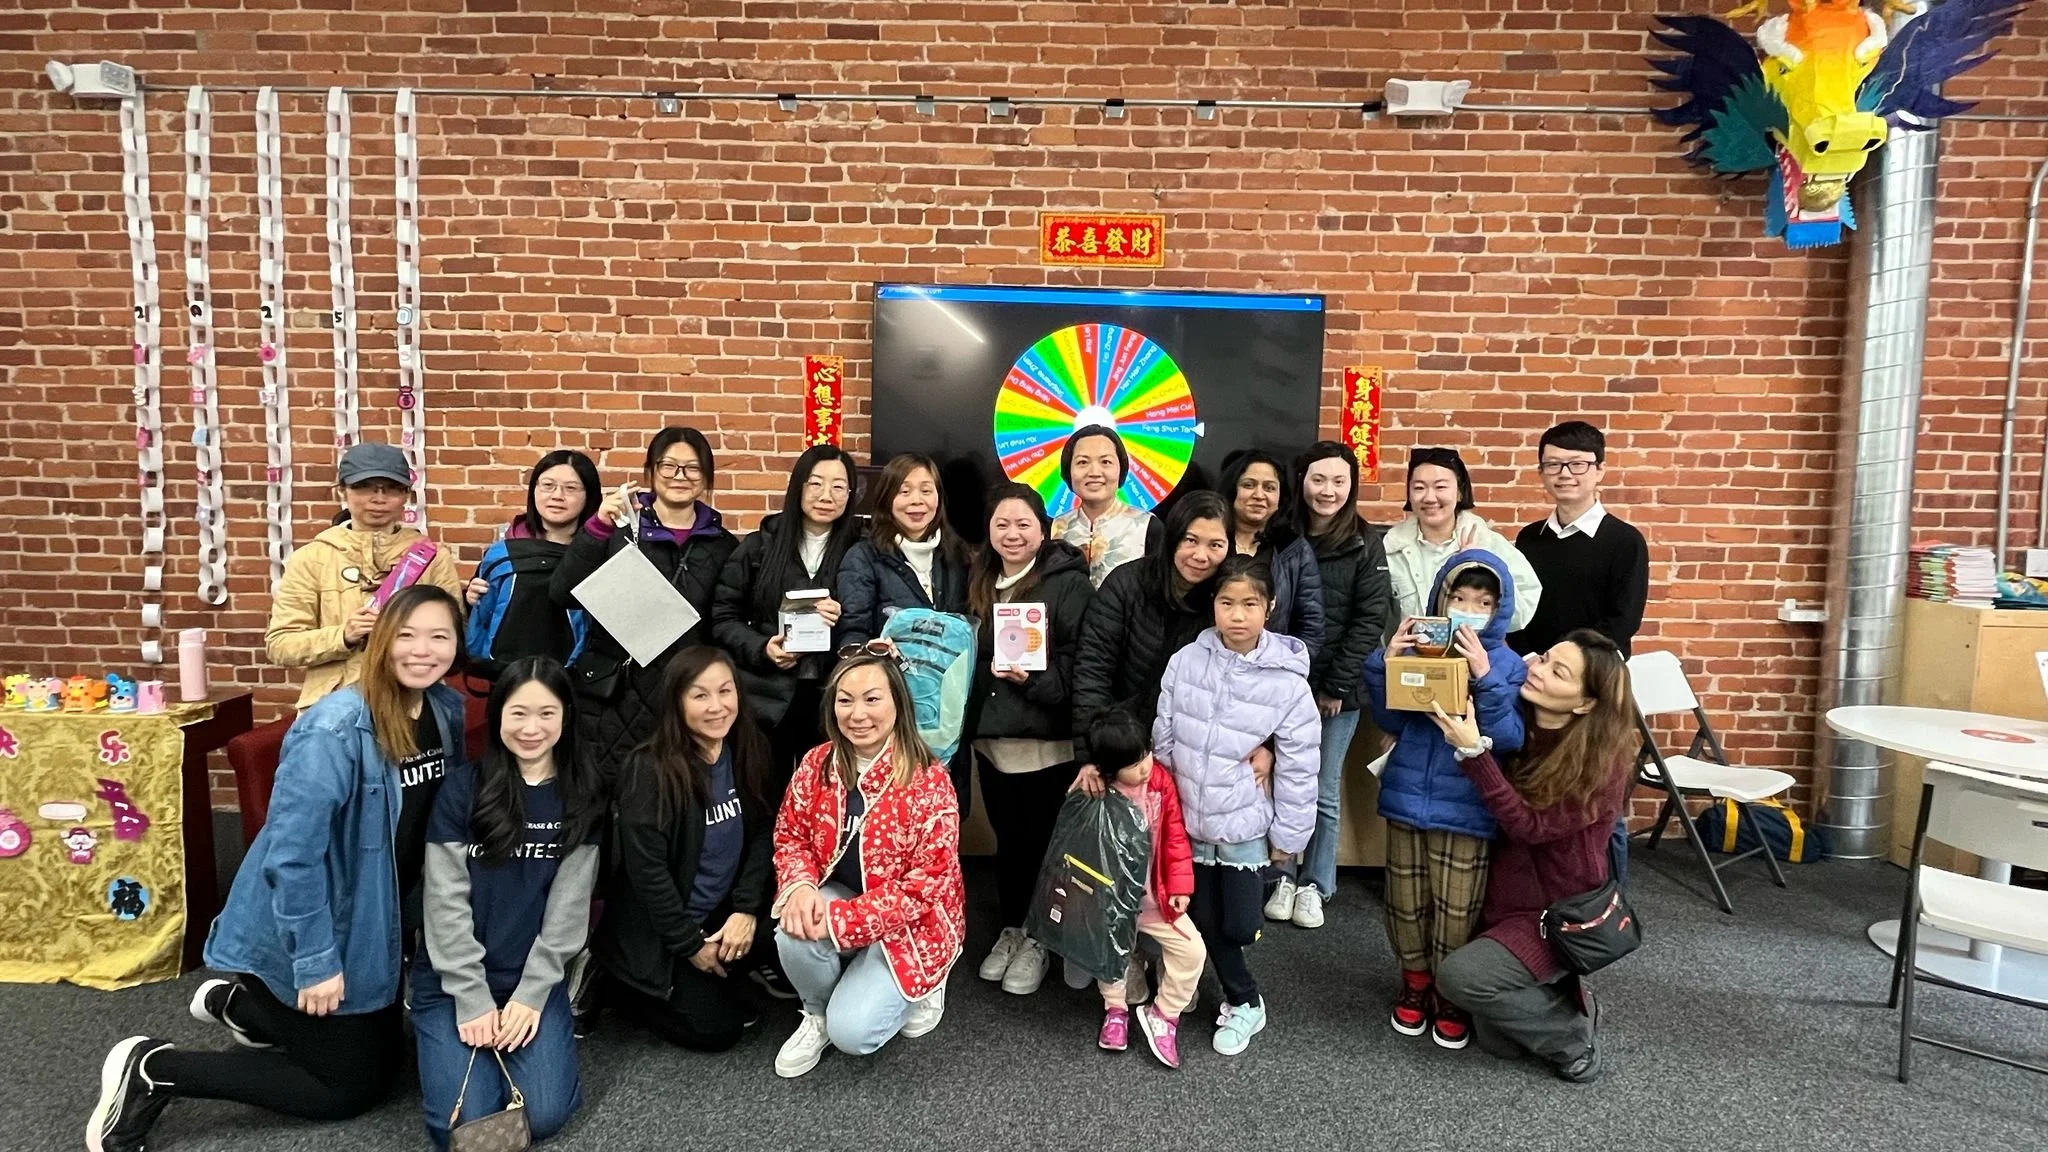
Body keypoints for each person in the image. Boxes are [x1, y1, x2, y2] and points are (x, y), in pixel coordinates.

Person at [90, 586, 467, 1152]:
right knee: (348, 1088)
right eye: (407, 635)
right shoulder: (335, 728)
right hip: (309, 924)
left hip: (373, 921)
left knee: (392, 1062)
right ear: (381, 638)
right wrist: (314, 961)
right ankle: (153, 1067)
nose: (422, 650)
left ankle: (241, 1006)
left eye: (439, 635)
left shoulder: (443, 710)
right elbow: (292, 857)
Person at [1430, 629, 1636, 1084]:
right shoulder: (1520, 720)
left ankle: (1571, 1037)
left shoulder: (1602, 765)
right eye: (1543, 657)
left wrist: (1473, 753)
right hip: (1506, 900)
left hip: (1558, 913)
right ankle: (1562, 995)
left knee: (1462, 979)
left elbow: (1530, 826)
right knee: (1497, 1043)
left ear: (1584, 703)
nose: (1537, 669)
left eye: (1557, 671)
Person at [414, 656, 601, 1148]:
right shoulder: (463, 789)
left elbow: (568, 911)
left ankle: (522, 1052)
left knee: (541, 1115)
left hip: (530, 978)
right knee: (463, 1126)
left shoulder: (582, 795)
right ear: (498, 716)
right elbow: (444, 900)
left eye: (546, 713)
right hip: (453, 980)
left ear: (566, 717)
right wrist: (472, 998)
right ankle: (442, 1044)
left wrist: (531, 993)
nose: (532, 728)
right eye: (518, 713)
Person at [1148, 555, 1320, 1057]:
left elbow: (1300, 764)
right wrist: (1159, 810)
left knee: (1240, 924)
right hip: (1189, 825)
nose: (1238, 615)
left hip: (1245, 826)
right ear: (1213, 606)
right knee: (1197, 918)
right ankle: (1244, 1000)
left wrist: (1289, 838)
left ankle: (1227, 984)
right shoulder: (1185, 661)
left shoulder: (1287, 682)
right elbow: (1165, 737)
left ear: (1269, 607)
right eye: (1227, 603)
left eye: (1250, 604)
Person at [769, 653, 966, 1078]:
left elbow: (924, 886)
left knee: (854, 1035)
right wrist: (801, 887)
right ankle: (817, 1013)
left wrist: (840, 921)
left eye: (872, 699)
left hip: (913, 922)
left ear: (898, 703)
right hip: (842, 897)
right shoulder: (816, 763)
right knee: (792, 927)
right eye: (845, 701)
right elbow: (791, 836)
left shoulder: (929, 779)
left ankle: (929, 981)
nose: (857, 714)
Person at [1362, 552, 1528, 1051]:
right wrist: (1384, 663)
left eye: (1483, 601)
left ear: (1500, 610)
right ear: (1442, 599)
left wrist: (1486, 678)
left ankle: (1452, 993)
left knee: (1458, 907)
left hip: (1468, 807)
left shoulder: (1508, 664)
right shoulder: (1420, 649)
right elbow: (1391, 722)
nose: (1469, 608)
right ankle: (1415, 983)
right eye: (1459, 598)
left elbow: (1510, 738)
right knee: (1405, 904)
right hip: (1407, 799)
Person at [598, 647, 781, 1052]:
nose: (717, 707)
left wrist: (745, 909)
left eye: (725, 691)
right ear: (676, 702)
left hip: (720, 908)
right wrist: (691, 945)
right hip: (662, 925)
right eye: (700, 696)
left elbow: (762, 831)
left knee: (786, 932)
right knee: (718, 1031)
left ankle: (721, 970)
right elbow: (648, 874)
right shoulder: (649, 768)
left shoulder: (750, 747)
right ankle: (620, 984)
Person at [1507, 420, 1650, 889]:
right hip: (1538, 680)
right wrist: (1531, 659)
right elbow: (1518, 613)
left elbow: (1622, 624)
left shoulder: (1625, 542)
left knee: (1600, 800)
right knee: (1537, 789)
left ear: (1599, 471)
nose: (1564, 473)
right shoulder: (1529, 539)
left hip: (1594, 688)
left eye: (1576, 464)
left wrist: (1569, 666)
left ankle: (1606, 904)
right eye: (1552, 464)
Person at [966, 484, 1094, 995]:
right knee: (1009, 843)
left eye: (1023, 524)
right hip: (992, 742)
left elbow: (1081, 668)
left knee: (1045, 845)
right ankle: (1013, 927)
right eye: (1002, 524)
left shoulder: (1068, 585)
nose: (1012, 534)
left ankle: (1043, 938)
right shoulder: (978, 579)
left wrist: (1032, 680)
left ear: (1043, 529)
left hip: (1046, 744)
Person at [552, 426, 737, 775]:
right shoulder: (619, 531)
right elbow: (562, 592)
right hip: (615, 699)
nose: (680, 476)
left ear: (707, 477)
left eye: (693, 468)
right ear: (650, 472)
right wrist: (597, 529)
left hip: (686, 699)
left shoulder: (724, 546)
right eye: (669, 466)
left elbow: (725, 622)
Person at [1265, 442, 1394, 930]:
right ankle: (1281, 874)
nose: (1329, 490)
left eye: (1340, 481)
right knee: (1278, 781)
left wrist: (1335, 684)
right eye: (1319, 479)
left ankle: (1315, 883)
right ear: (1302, 481)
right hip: (1280, 684)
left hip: (1336, 690)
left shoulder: (1364, 540)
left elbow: (1369, 620)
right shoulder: (1283, 535)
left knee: (1321, 788)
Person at [266, 441, 463, 709]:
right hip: (334, 708)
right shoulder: (311, 559)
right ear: (343, 490)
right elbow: (280, 645)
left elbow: (454, 634)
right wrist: (343, 635)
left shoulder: (431, 557)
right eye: (364, 487)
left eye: (391, 488)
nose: (378, 498)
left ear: (406, 495)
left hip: (413, 702)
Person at [711, 444, 860, 787]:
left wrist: (843, 614)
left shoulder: (861, 550)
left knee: (828, 796)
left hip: (833, 697)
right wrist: (763, 648)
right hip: (767, 699)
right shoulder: (758, 547)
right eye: (815, 483)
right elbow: (722, 618)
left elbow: (869, 620)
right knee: (765, 797)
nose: (827, 495)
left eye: (839, 486)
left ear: (850, 495)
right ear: (797, 487)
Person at [1082, 710, 1205, 1070]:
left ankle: (1164, 1014)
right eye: (1132, 765)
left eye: (1145, 755)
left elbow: (1176, 838)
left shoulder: (1160, 783)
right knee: (1111, 956)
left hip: (1157, 896)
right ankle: (1116, 1011)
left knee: (1192, 950)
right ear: (1108, 768)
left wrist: (1180, 886)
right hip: (1111, 903)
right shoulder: (1098, 791)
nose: (1144, 768)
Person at [1070, 491, 1233, 758]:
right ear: (1172, 538)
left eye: (1215, 545)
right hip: (1121, 745)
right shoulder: (1127, 583)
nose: (1201, 556)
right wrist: (1091, 755)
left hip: (1191, 751)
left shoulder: (1226, 601)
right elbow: (1092, 671)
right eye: (1190, 540)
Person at [464, 450, 603, 680]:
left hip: (577, 682)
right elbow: (482, 620)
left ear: (589, 495)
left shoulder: (600, 553)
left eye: (571, 488)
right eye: (548, 485)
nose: (557, 496)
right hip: (505, 677)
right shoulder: (504, 551)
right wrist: (470, 599)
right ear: (534, 490)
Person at [1382, 447, 1540, 632]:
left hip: (1472, 657)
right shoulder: (1389, 549)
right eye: (1419, 488)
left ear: (1459, 492)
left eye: (1440, 487)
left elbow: (1522, 613)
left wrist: (1481, 562)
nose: (1429, 497)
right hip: (1405, 659)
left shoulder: (1488, 544)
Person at [834, 453, 970, 648]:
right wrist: (875, 652)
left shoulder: (958, 556)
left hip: (951, 675)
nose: (917, 500)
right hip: (888, 674)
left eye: (926, 490)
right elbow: (853, 633)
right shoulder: (864, 558)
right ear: (887, 499)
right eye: (904, 492)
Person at [1216, 449, 1324, 652]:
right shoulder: (1212, 541)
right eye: (1248, 485)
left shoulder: (1293, 549)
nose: (1259, 495)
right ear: (1232, 490)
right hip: (1207, 666)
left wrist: (1284, 669)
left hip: (1271, 670)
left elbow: (1311, 627)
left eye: (1269, 487)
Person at [1050, 425, 1156, 587]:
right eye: (1082, 462)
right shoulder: (1052, 528)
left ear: (1121, 468)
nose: (1094, 472)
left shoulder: (1148, 527)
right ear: (1068, 470)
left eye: (1106, 462)